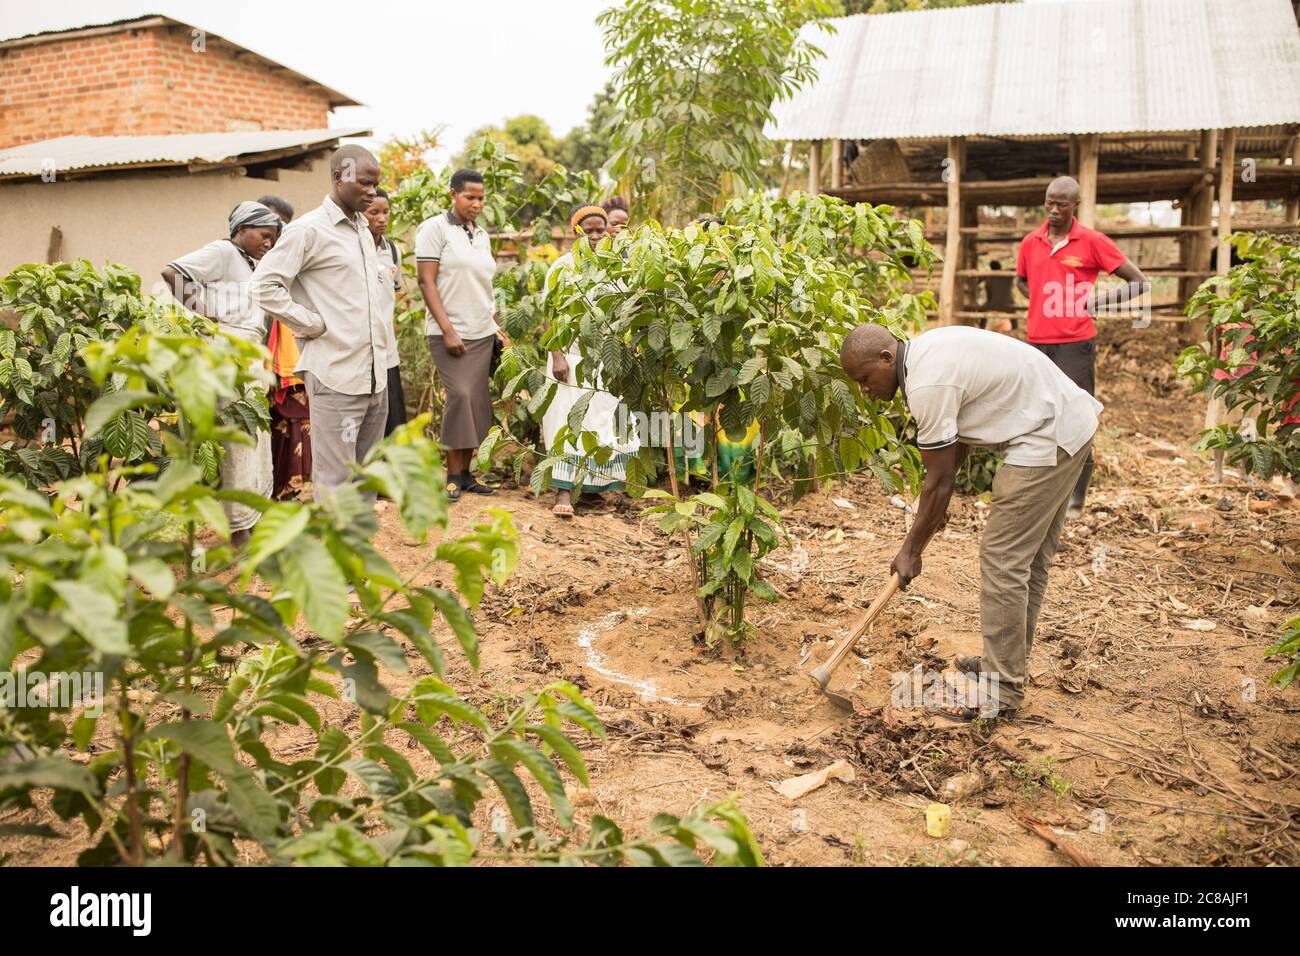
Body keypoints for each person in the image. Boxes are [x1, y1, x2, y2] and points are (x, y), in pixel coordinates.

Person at [841, 323, 1103, 721]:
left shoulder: (927, 385)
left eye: (865, 379)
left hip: (1046, 436)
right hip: (1068, 422)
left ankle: (1002, 690)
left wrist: (911, 550)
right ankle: (1005, 667)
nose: (866, 390)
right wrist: (932, 515)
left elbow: (940, 480)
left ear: (886, 359)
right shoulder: (927, 355)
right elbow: (955, 445)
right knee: (1025, 563)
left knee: (1004, 560)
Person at [251, 145, 395, 502]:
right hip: (336, 375)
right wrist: (311, 323)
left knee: (365, 476)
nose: (372, 192)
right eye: (364, 183)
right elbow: (263, 286)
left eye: (376, 185)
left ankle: (356, 551)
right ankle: (336, 554)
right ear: (338, 177)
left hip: (375, 376)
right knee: (335, 480)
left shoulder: (362, 228)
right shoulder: (308, 230)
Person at [1015, 176, 1147, 519]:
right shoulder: (1031, 242)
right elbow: (1021, 279)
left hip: (1076, 344)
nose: (1054, 210)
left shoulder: (1092, 241)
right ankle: (1043, 490)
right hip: (1037, 344)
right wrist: (1040, 301)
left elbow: (1138, 282)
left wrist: (1098, 302)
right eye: (1049, 203)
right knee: (1037, 416)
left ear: (1076, 205)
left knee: (1079, 416)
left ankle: (1076, 497)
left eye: (1062, 204)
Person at [161, 200, 281, 546]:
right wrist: (207, 318)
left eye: (273, 238)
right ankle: (238, 526)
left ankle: (254, 514)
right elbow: (173, 272)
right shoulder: (223, 251)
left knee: (255, 436)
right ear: (241, 229)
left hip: (249, 355)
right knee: (237, 437)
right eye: (263, 235)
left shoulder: (247, 262)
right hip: (230, 354)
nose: (268, 244)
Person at [541, 204, 639, 517]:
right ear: (576, 232)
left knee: (600, 420)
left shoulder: (615, 267)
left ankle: (594, 491)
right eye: (589, 230)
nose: (596, 235)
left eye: (601, 229)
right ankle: (564, 492)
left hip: (603, 359)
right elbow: (551, 313)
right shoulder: (562, 266)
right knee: (567, 420)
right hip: (570, 355)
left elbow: (624, 313)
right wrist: (557, 355)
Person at [415, 168, 504, 500]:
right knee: (460, 398)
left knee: (477, 401)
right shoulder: (434, 229)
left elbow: (484, 286)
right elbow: (426, 282)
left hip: (482, 331)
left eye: (481, 198)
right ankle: (452, 475)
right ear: (453, 194)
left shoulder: (481, 235)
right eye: (470, 197)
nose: (476, 204)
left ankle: (467, 476)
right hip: (449, 333)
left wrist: (495, 326)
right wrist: (448, 330)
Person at [257, 195, 313, 500]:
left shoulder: (292, 259)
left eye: (279, 226)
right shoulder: (242, 260)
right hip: (258, 356)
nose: (272, 234)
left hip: (290, 357)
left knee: (296, 424)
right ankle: (264, 492)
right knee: (264, 426)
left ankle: (288, 491)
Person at [364, 187, 409, 436]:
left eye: (385, 212)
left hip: (388, 353)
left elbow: (393, 297)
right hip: (360, 353)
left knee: (393, 421)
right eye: (374, 212)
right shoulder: (353, 250)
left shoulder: (392, 251)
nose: (382, 218)